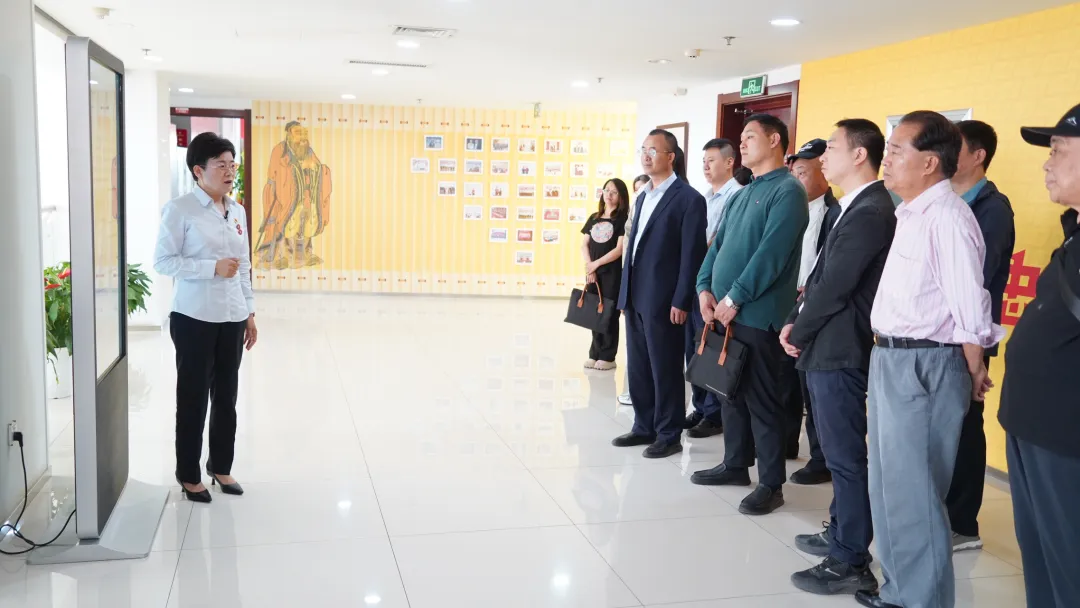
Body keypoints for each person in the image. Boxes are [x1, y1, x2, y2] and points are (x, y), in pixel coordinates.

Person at [855, 111, 1002, 608]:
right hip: (891, 358)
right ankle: (899, 592)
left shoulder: (948, 218)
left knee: (915, 496)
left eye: (898, 149)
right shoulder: (911, 213)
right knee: (889, 490)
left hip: (925, 365)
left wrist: (974, 368)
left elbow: (970, 309)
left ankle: (923, 601)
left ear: (930, 162)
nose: (887, 158)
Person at [781, 119, 895, 595]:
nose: (822, 157)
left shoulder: (872, 210)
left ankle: (850, 558)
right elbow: (817, 277)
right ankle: (841, 531)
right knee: (836, 450)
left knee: (845, 457)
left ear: (859, 155)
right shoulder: (851, 205)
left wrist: (799, 329)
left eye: (831, 147)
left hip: (841, 346)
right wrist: (797, 318)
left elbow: (835, 286)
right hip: (826, 341)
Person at [690, 114, 809, 516]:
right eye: (740, 138)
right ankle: (735, 464)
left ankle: (771, 484)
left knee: (763, 402)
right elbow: (716, 246)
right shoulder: (742, 194)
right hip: (725, 313)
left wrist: (735, 298)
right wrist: (704, 288)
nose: (741, 143)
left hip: (758, 316)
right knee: (729, 394)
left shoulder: (788, 191)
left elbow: (770, 255)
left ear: (774, 140)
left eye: (749, 136)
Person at [999, 103, 1080, 608]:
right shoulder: (1073, 235)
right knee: (1043, 562)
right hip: (1031, 428)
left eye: (1058, 151)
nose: (1047, 164)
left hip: (1067, 440)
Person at [154, 132, 259, 503]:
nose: (230, 171)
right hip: (194, 317)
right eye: (221, 165)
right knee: (194, 398)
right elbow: (163, 261)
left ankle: (220, 466)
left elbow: (243, 264)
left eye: (232, 164)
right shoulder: (180, 210)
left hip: (232, 316)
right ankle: (188, 474)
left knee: (227, 396)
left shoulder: (237, 211)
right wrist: (210, 267)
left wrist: (249, 311)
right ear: (198, 171)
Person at [613, 130, 707, 458]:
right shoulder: (643, 196)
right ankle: (644, 426)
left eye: (653, 150)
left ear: (671, 156)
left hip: (665, 299)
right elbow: (634, 248)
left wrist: (682, 299)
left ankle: (668, 433)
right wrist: (624, 294)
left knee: (664, 367)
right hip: (636, 295)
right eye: (643, 149)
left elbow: (692, 254)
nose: (646, 155)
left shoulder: (688, 199)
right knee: (638, 364)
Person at [946, 120, 1016, 552]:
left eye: (955, 147)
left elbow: (979, 282)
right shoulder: (947, 201)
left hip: (969, 336)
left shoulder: (992, 208)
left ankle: (963, 524)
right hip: (943, 335)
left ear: (978, 156)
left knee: (965, 426)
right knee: (947, 428)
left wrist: (973, 348)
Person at [783, 139, 841, 484]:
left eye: (802, 172)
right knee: (787, 383)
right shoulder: (791, 209)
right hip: (789, 305)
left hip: (816, 307)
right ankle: (787, 442)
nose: (796, 180)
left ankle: (821, 458)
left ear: (823, 170)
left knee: (812, 388)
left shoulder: (835, 212)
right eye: (794, 173)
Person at [683, 138, 744, 438]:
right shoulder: (705, 197)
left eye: (712, 160)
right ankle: (700, 406)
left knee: (715, 347)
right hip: (697, 283)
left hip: (718, 285)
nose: (706, 167)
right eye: (703, 162)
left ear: (730, 162)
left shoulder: (738, 196)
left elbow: (719, 243)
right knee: (697, 346)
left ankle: (714, 413)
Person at [255, 121, 333, 269]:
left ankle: (305, 254)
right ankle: (281, 256)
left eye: (304, 133)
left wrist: (315, 168)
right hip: (283, 195)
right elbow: (277, 173)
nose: (302, 137)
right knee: (283, 224)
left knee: (306, 225)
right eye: (298, 133)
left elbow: (316, 167)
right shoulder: (279, 150)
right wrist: (299, 167)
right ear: (289, 135)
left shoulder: (308, 151)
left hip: (306, 196)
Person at [581, 178, 631, 370]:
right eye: (606, 190)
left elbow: (619, 249)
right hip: (593, 273)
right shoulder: (594, 217)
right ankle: (594, 353)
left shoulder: (622, 219)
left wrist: (596, 264)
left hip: (612, 273)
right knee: (594, 313)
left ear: (621, 196)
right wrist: (590, 267)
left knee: (609, 314)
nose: (609, 194)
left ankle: (608, 356)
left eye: (614, 192)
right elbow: (584, 244)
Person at [618, 175, 650, 406]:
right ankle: (634, 395)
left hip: (653, 288)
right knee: (634, 348)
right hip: (632, 283)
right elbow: (627, 246)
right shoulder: (637, 205)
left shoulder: (681, 200)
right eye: (636, 189)